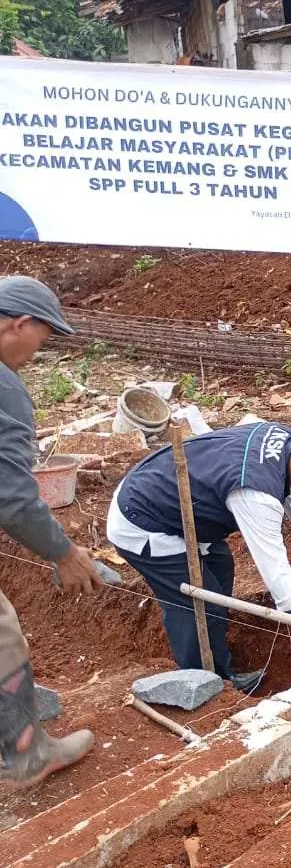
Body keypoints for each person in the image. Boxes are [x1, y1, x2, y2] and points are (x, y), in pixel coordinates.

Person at [107, 424, 291, 691]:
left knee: (221, 568)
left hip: (175, 502)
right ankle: (203, 686)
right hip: (144, 521)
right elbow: (280, 581)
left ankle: (219, 664)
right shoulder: (256, 494)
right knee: (198, 603)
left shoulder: (288, 443)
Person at [0, 277, 101, 789]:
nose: (37, 353)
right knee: (2, 635)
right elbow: (13, 495)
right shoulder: (2, 386)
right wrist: (63, 553)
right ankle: (27, 755)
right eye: (41, 339)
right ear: (19, 324)